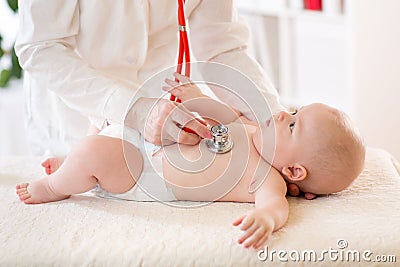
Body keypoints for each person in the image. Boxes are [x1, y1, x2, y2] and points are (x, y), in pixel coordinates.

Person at [16, 73, 366, 250]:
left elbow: (275, 207)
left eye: (292, 124)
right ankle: (74, 162)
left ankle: (54, 184)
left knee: (94, 153)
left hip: (144, 174)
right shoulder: (251, 129)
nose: (280, 115)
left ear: (294, 172)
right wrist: (198, 97)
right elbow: (222, 117)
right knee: (113, 121)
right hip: (147, 141)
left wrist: (266, 219)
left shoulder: (267, 179)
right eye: (293, 110)